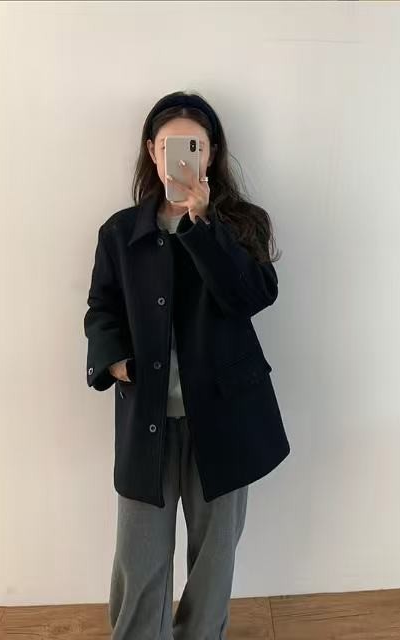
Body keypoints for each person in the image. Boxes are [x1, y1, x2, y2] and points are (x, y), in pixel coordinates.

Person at [84, 90, 290, 640]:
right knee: (139, 559)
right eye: (168, 146)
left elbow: (250, 297)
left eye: (193, 146)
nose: (179, 157)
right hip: (147, 418)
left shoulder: (242, 224)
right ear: (152, 152)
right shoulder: (120, 232)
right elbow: (101, 307)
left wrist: (202, 226)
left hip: (224, 419)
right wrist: (113, 360)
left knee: (214, 560)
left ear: (211, 153)